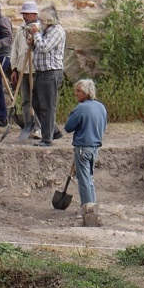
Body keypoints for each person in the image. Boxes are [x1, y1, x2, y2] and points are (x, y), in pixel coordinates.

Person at [64, 78, 107, 215]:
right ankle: (92, 206)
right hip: (95, 147)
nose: (75, 94)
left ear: (87, 93)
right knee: (89, 178)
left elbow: (68, 127)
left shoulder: (81, 108)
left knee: (83, 179)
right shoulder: (101, 107)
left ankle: (87, 210)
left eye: (78, 91)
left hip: (83, 147)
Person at [29, 5, 66, 148]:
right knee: (36, 103)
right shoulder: (45, 31)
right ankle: (53, 131)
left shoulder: (57, 31)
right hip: (41, 72)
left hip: (51, 73)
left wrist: (36, 34)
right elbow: (38, 47)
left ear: (49, 21)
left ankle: (47, 138)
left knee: (47, 106)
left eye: (41, 20)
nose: (39, 22)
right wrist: (33, 43)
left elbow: (44, 48)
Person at [9, 0, 41, 137]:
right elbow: (15, 50)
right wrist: (14, 69)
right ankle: (28, 126)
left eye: (26, 14)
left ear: (34, 14)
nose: (24, 16)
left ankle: (39, 128)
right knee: (25, 100)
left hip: (35, 70)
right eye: (23, 14)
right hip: (23, 69)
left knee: (37, 100)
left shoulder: (41, 29)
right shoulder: (21, 29)